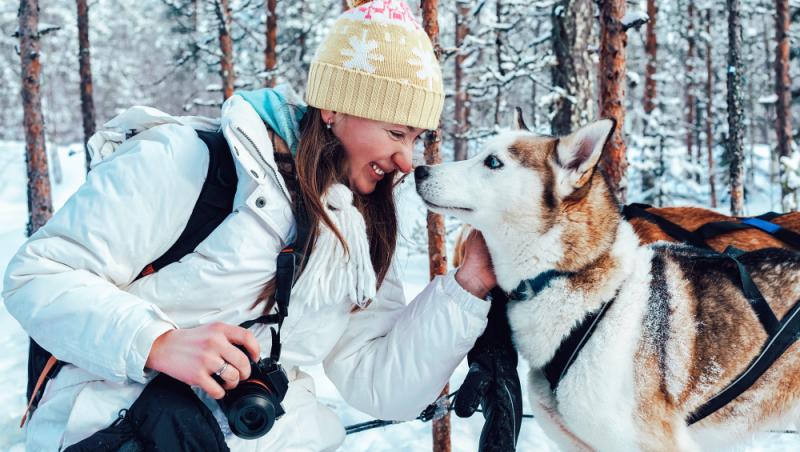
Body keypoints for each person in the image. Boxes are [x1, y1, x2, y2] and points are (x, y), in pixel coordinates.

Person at [2, 0, 496, 450]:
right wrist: (155, 343)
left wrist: (468, 286)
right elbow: (37, 276)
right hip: (118, 430)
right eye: (395, 132)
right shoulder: (189, 162)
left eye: (414, 138)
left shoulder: (362, 226)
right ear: (334, 107)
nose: (406, 160)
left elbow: (377, 382)